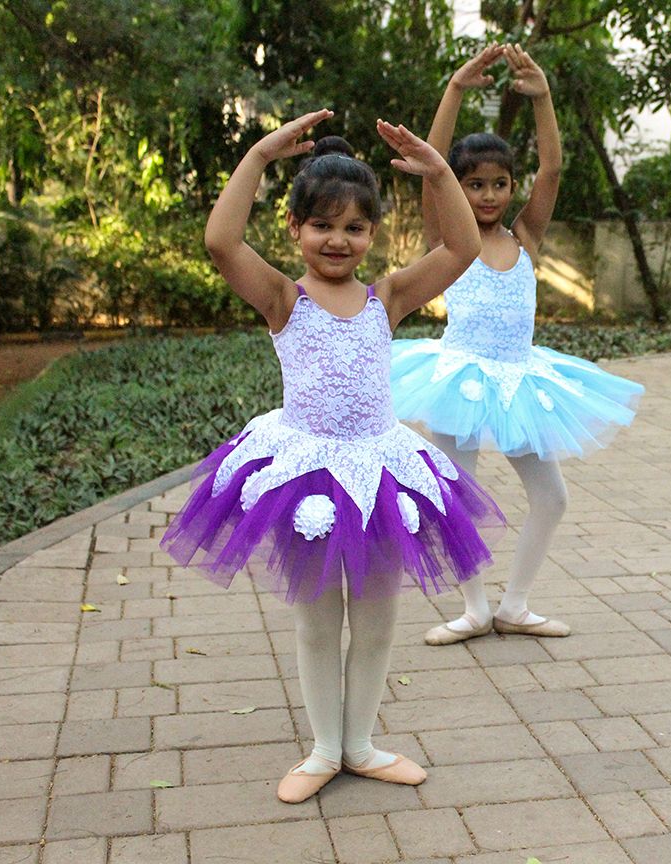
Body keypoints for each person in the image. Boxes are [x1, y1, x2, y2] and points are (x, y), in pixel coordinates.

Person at [160, 110, 503, 803]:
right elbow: (221, 241)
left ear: (372, 233)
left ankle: (361, 745)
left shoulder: (389, 297)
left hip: (380, 474)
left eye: (354, 227)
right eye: (322, 224)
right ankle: (323, 750)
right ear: (294, 228)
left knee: (377, 619)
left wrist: (439, 171)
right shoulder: (283, 298)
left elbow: (462, 248)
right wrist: (260, 154)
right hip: (306, 478)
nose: (338, 240)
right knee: (318, 621)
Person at [390, 45, 643, 646]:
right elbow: (431, 165)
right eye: (474, 184)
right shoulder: (448, 240)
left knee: (551, 497)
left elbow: (551, 169)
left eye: (499, 184)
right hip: (458, 381)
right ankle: (475, 608)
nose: (487, 195)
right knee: (458, 499)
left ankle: (515, 605)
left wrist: (544, 97)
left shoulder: (526, 235)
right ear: (457, 187)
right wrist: (455, 89)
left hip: (520, 381)